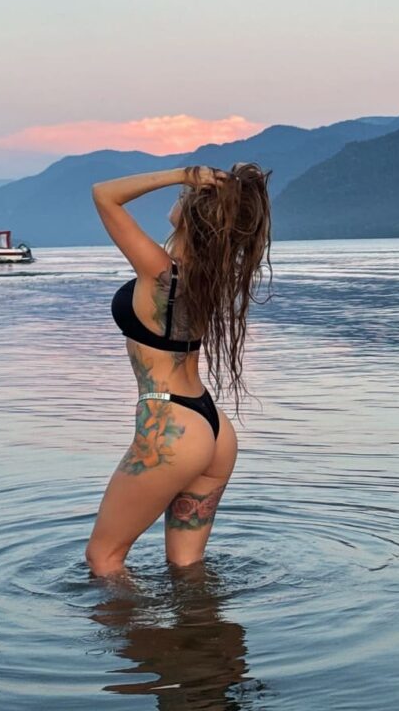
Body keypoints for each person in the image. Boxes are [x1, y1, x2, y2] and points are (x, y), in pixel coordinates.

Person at [85, 162, 272, 577]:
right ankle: (201, 620)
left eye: (186, 195)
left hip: (172, 427)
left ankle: (130, 624)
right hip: (213, 428)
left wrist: (181, 174)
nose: (180, 195)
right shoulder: (211, 277)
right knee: (188, 567)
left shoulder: (159, 271)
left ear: (195, 213)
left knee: (103, 559)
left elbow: (104, 194)